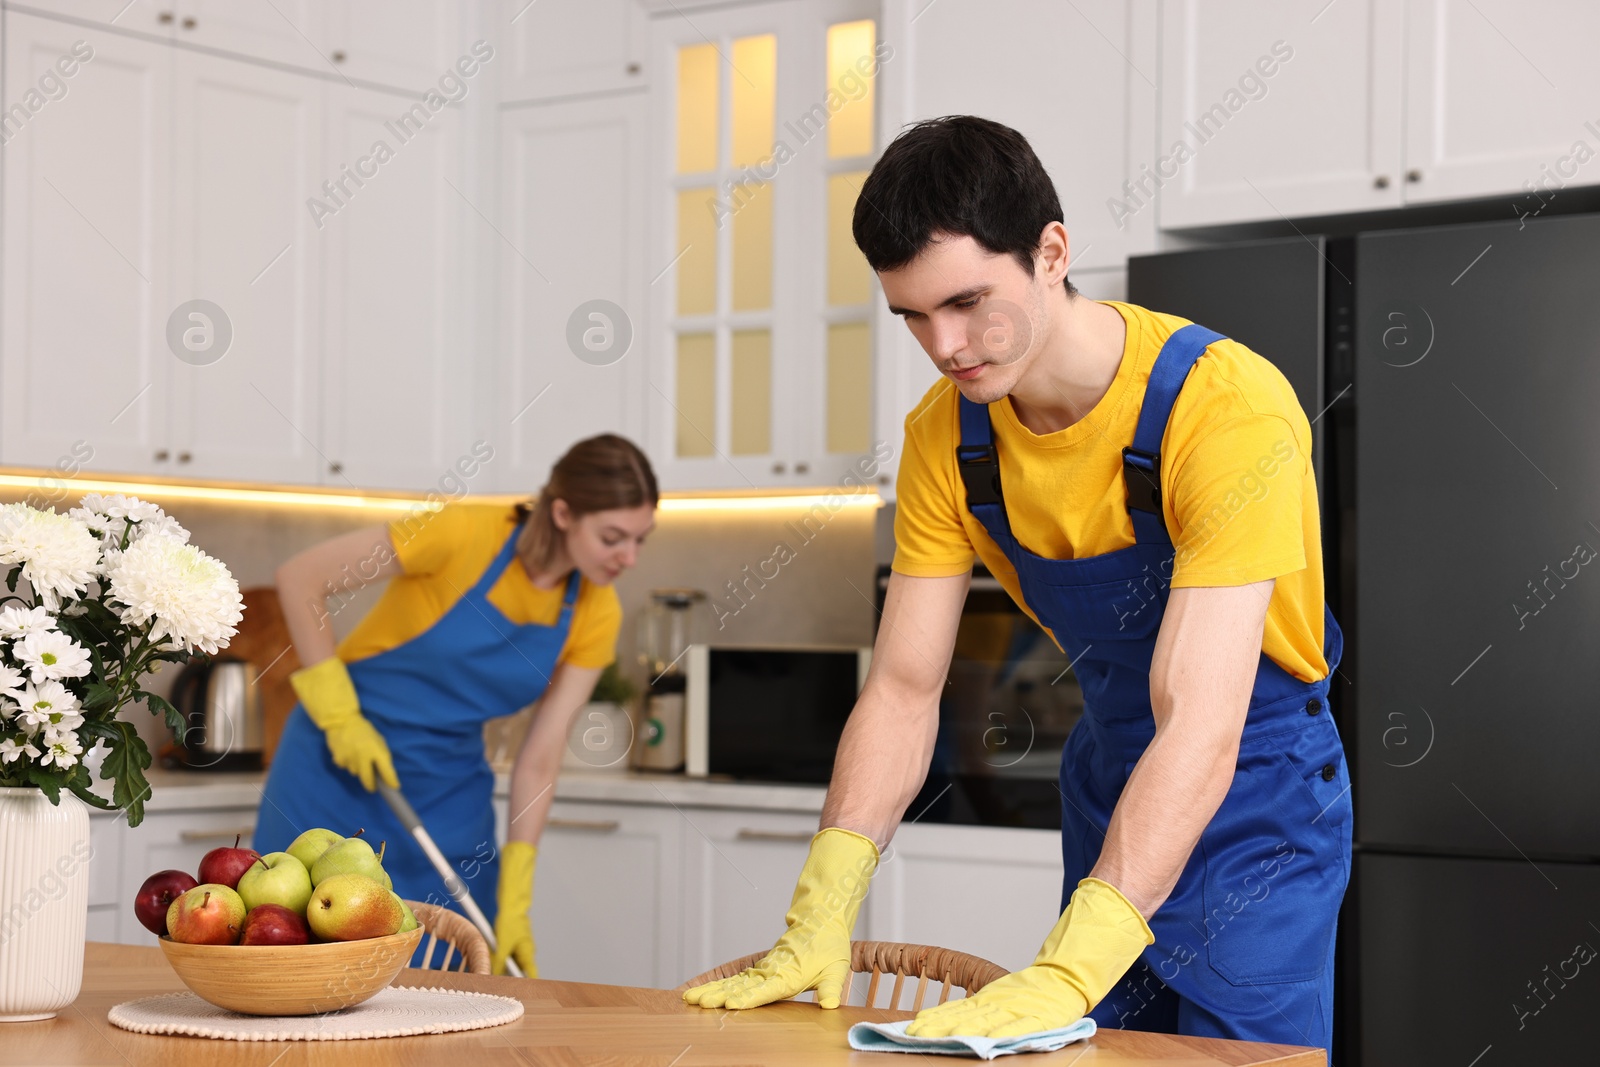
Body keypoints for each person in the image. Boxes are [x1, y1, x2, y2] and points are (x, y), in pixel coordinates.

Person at [682, 115, 1351, 1051]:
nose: (945, 344)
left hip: (1257, 791)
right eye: (912, 315)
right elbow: (906, 687)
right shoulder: (946, 440)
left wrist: (1074, 966)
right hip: (1114, 770)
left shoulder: (1225, 411)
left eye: (965, 302)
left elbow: (1202, 719)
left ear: (1051, 252)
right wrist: (821, 904)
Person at [255, 434, 657, 976]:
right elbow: (302, 578)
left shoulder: (595, 611)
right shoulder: (464, 532)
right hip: (333, 764)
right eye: (614, 537)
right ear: (563, 513)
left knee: (446, 975)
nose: (628, 558)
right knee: (302, 959)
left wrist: (517, 891)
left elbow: (539, 758)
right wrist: (340, 718)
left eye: (641, 541)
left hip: (446, 790)